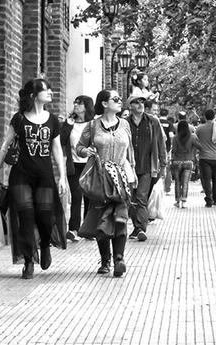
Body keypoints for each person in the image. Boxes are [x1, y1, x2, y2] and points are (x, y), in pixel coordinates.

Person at [0, 78, 67, 279]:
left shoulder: (53, 121)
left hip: (45, 176)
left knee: (44, 215)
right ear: (33, 95)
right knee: (25, 216)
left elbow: (57, 149)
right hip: (21, 175)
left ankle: (45, 245)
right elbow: (5, 145)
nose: (50, 92)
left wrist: (62, 176)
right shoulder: (19, 119)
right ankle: (28, 260)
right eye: (45, 89)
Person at [76, 89, 136, 277]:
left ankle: (119, 258)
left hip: (121, 178)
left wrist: (132, 173)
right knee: (102, 218)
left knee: (120, 218)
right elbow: (79, 147)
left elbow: (130, 153)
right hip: (100, 178)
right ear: (104, 103)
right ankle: (105, 260)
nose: (120, 102)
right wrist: (86, 152)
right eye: (115, 99)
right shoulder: (93, 126)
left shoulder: (125, 124)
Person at [126, 95, 167, 241]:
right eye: (136, 102)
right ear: (129, 106)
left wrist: (163, 164)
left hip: (148, 167)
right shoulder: (124, 123)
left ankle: (140, 228)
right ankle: (136, 226)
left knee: (141, 198)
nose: (140, 105)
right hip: (129, 167)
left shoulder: (152, 122)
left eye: (142, 102)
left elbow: (161, 143)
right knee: (130, 199)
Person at [60, 95, 95, 241]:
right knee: (76, 196)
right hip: (73, 165)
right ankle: (73, 229)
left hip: (89, 164)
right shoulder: (70, 123)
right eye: (75, 103)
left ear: (87, 106)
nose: (76, 105)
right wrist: (67, 125)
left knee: (89, 197)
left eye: (79, 104)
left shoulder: (93, 124)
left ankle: (87, 229)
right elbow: (61, 141)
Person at [171, 121, 202, 208]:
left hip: (177, 161)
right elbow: (200, 147)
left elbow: (174, 150)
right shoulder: (192, 137)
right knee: (185, 183)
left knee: (177, 182)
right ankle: (184, 201)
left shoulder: (175, 138)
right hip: (188, 161)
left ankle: (177, 201)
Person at [159, 108, 175, 193]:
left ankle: (158, 188)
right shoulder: (169, 124)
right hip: (166, 149)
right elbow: (171, 135)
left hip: (156, 149)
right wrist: (171, 146)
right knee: (167, 168)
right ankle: (167, 189)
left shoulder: (156, 121)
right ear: (167, 115)